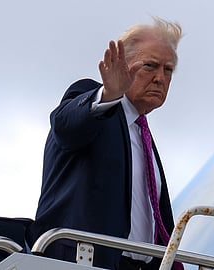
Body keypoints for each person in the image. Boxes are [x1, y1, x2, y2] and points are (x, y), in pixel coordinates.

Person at [28, 17, 184, 270]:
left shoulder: (142, 133)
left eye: (168, 70)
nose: (159, 78)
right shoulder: (95, 104)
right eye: (150, 66)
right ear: (122, 65)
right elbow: (66, 127)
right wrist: (108, 95)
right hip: (82, 261)